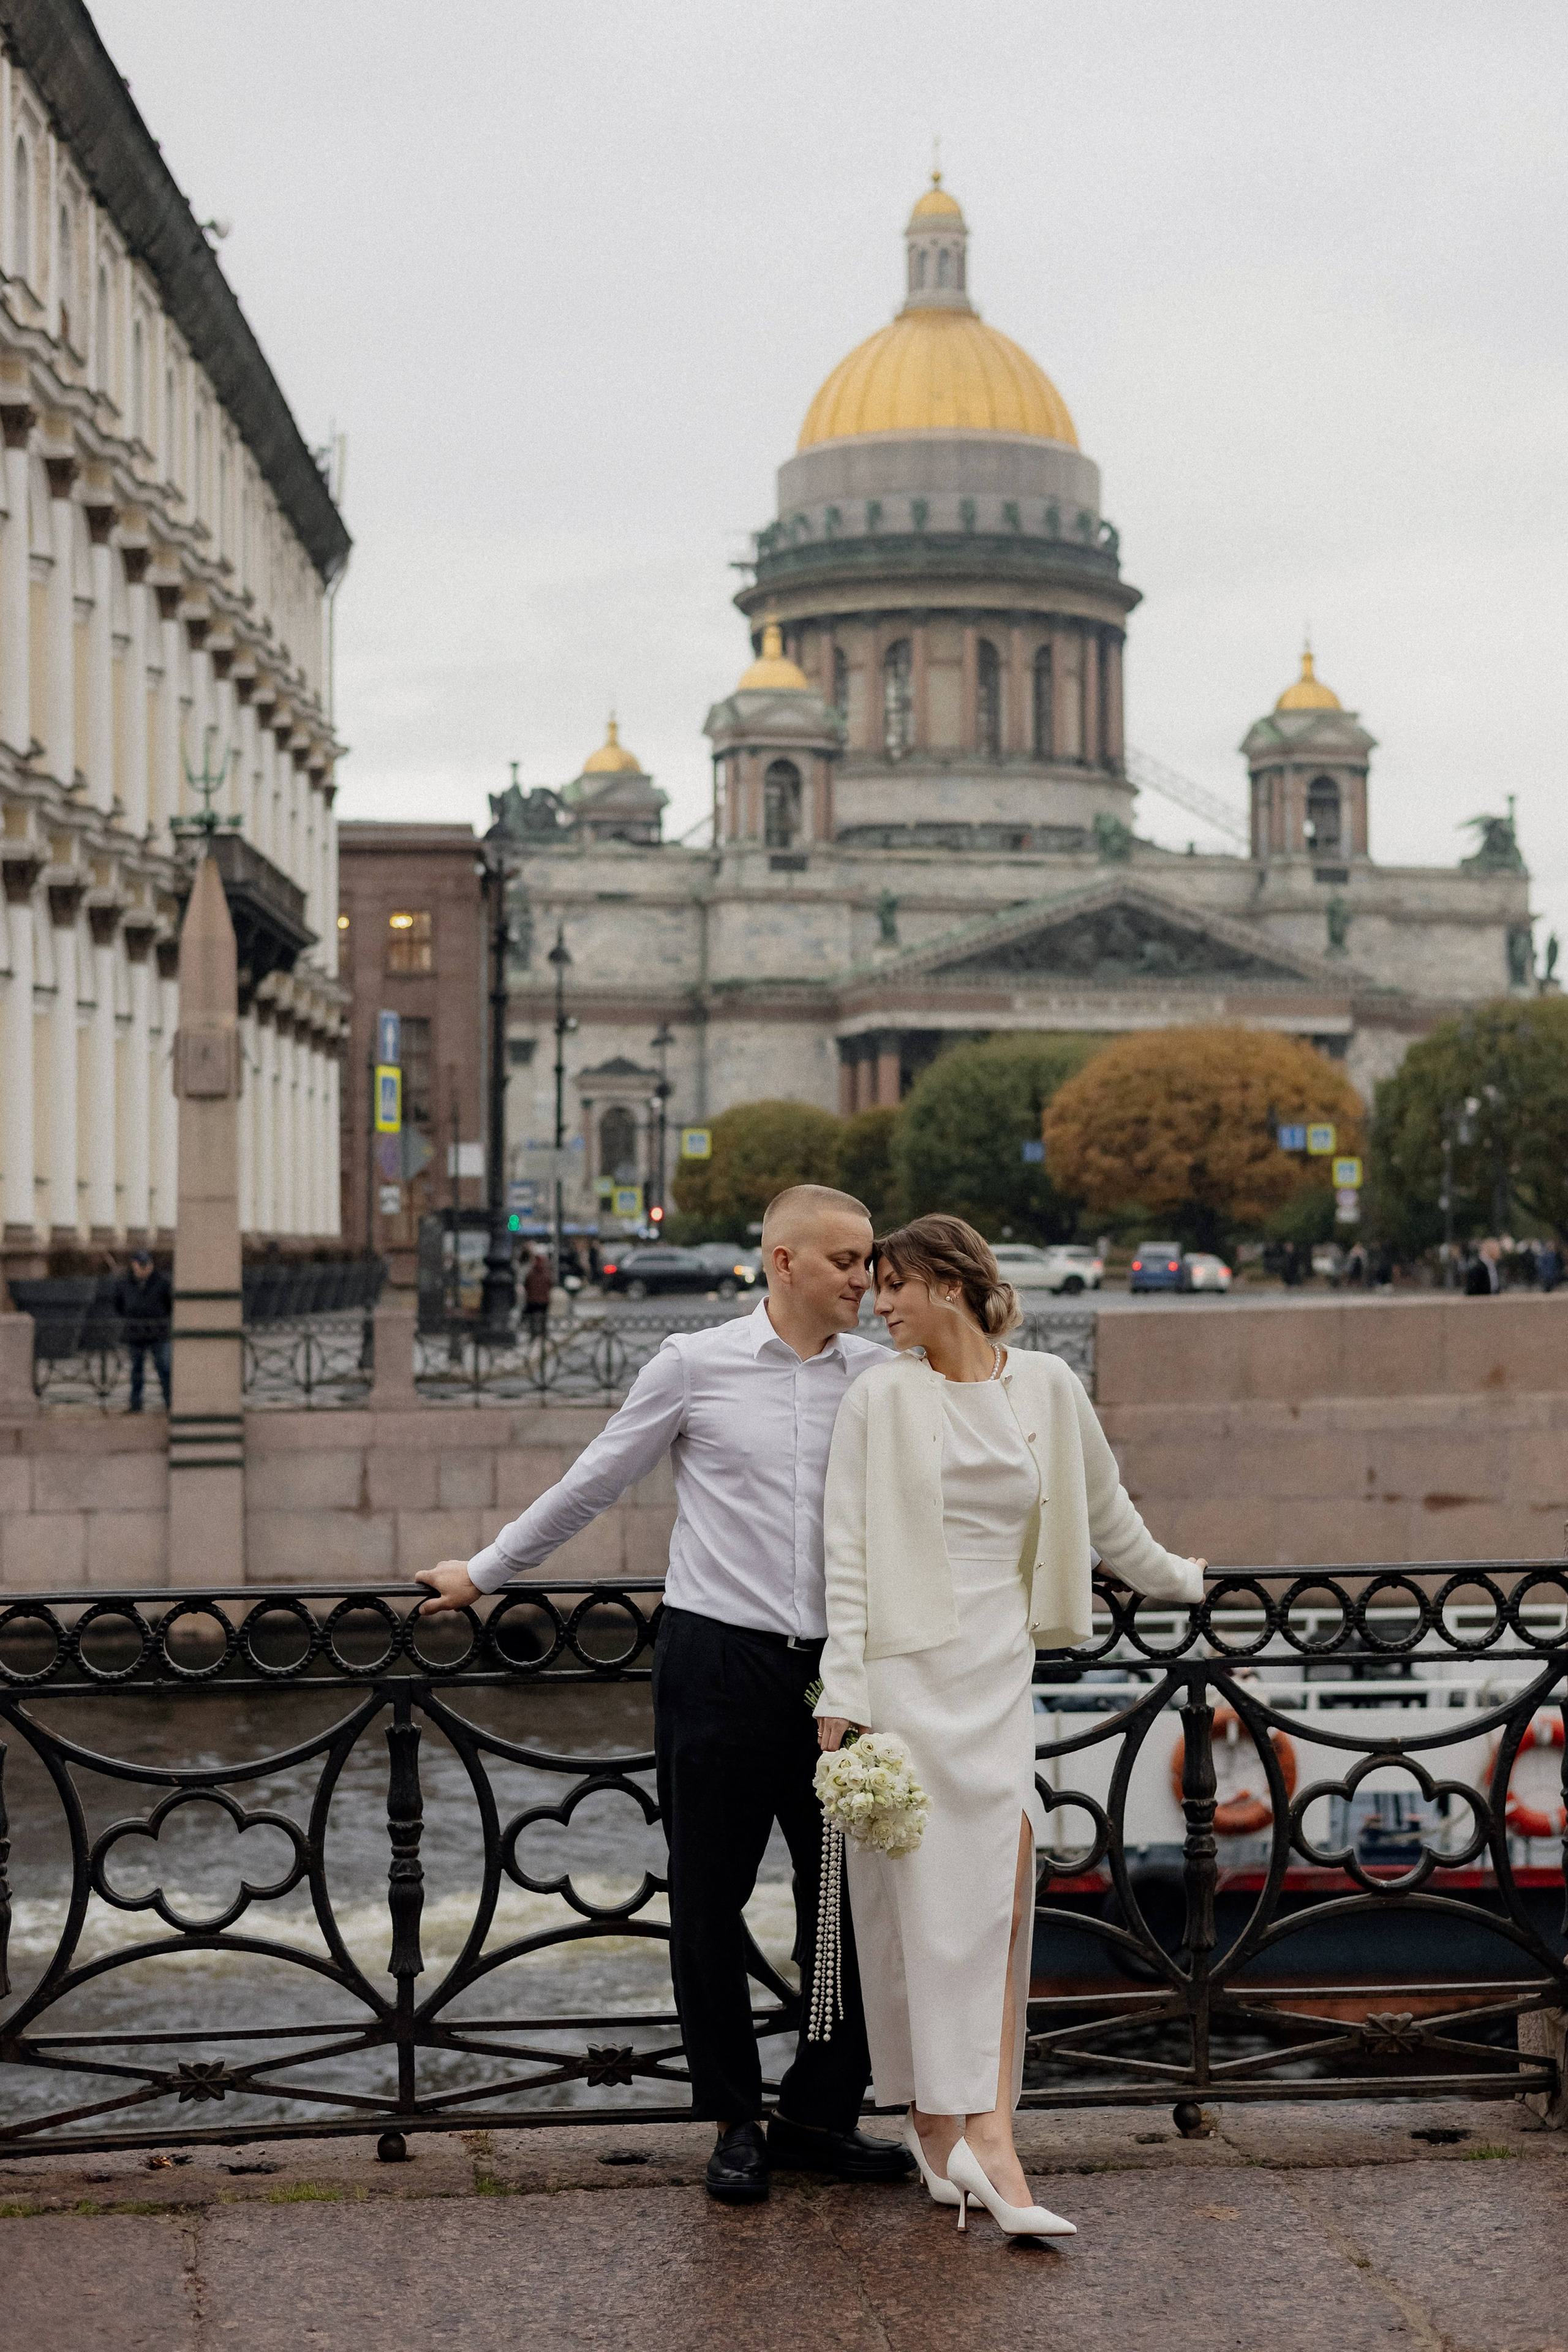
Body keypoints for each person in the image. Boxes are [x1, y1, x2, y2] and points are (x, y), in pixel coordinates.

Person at [415, 1185, 914, 2206]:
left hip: (844, 1674)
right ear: (783, 1262)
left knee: (851, 1908)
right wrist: (486, 1572)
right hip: (718, 1664)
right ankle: (734, 2119)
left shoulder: (883, 1377)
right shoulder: (694, 1365)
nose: (866, 1279)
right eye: (846, 1261)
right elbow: (596, 1479)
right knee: (707, 1901)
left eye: (869, 1261)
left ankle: (821, 2114)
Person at [814, 1214, 1205, 2241]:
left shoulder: (1048, 1388)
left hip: (999, 1670)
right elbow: (847, 1551)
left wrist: (1191, 1583)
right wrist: (840, 1692)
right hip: (906, 1674)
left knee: (996, 1898)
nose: (878, 1303)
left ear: (951, 1281)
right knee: (914, 1914)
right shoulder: (879, 1395)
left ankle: (982, 2133)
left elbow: (1108, 1515)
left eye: (893, 1284)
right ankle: (948, 2132)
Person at [112, 1248, 172, 1412]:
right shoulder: (124, 1284)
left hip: (159, 1333)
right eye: (141, 1264)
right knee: (136, 1370)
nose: (145, 1268)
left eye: (147, 1264)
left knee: (164, 1368)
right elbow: (119, 1306)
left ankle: (170, 1403)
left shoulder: (163, 1282)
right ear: (134, 1265)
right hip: (135, 1332)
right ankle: (136, 1405)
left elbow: (170, 1305)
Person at [521, 1246, 552, 1341]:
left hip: (532, 1300)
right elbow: (550, 1284)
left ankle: (533, 1334)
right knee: (544, 1317)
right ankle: (543, 1333)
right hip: (544, 1300)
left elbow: (526, 1284)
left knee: (532, 1317)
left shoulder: (531, 1273)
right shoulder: (546, 1273)